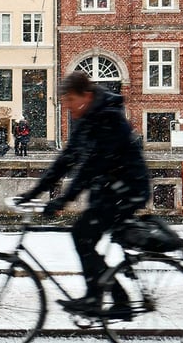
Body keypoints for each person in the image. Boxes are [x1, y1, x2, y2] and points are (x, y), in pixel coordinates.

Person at [16, 70, 150, 318]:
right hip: (110, 189)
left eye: (70, 101)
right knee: (84, 238)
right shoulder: (88, 118)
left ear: (86, 95)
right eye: (64, 103)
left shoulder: (108, 117)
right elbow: (66, 159)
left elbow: (92, 167)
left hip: (127, 190)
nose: (68, 108)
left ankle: (110, 301)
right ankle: (104, 299)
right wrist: (33, 193)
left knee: (82, 236)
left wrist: (62, 200)